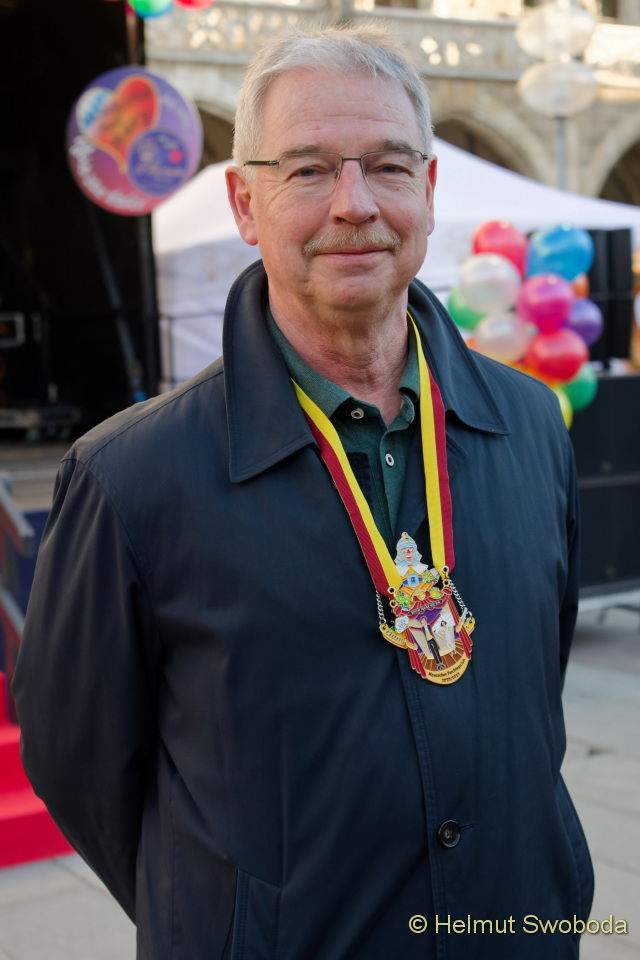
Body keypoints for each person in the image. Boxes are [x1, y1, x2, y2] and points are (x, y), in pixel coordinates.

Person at [13, 23, 593, 960]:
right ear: (246, 202)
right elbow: (79, 764)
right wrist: (238, 916)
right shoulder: (130, 477)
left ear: (429, 191)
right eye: (309, 170)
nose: (354, 204)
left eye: (388, 166)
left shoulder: (530, 425)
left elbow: (533, 691)